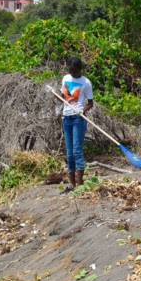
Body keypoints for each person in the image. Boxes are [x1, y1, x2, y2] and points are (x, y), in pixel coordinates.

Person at [59, 57, 94, 191]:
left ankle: (80, 185)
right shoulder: (66, 78)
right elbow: (64, 97)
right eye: (71, 70)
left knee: (77, 150)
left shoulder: (86, 82)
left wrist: (82, 110)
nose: (72, 73)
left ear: (80, 69)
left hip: (78, 119)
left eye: (75, 70)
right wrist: (56, 95)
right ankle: (72, 185)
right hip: (67, 118)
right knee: (69, 153)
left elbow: (90, 103)